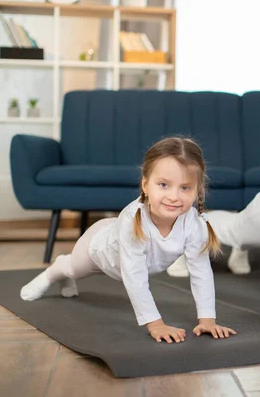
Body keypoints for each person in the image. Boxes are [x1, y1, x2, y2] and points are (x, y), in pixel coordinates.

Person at [20, 137, 237, 343]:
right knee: (72, 269)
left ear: (197, 191)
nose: (174, 196)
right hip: (99, 248)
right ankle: (53, 273)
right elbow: (135, 277)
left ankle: (65, 273)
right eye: (163, 185)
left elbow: (200, 271)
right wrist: (156, 325)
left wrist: (208, 320)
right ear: (145, 185)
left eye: (185, 188)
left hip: (122, 250)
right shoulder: (133, 220)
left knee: (77, 271)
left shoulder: (193, 223)